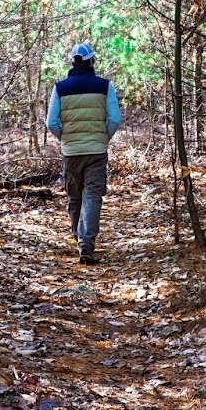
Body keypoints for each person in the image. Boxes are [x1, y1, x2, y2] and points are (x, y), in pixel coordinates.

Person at [45, 42, 121, 263]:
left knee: (75, 196)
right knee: (92, 196)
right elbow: (115, 119)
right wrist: (103, 137)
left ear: (72, 62)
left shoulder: (60, 88)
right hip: (96, 151)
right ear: (91, 61)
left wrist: (65, 138)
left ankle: (78, 236)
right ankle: (86, 244)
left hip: (71, 152)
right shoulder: (104, 86)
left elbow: (51, 122)